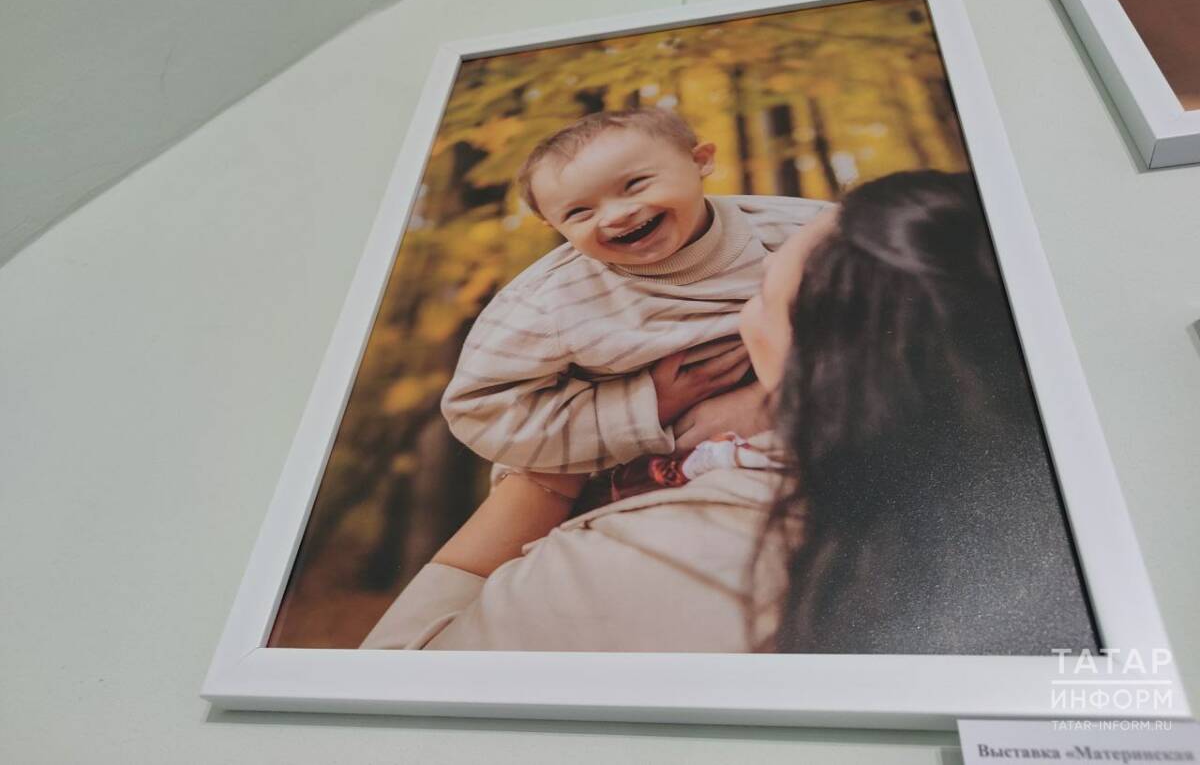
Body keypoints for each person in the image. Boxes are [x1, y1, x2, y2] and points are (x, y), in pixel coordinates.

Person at [361, 170, 1096, 654]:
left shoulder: (653, 559)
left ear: (819, 363)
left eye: (762, 292)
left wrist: (553, 467)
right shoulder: (1063, 524)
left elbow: (390, 686)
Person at [434, 107, 828, 578]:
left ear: (700, 160)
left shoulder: (795, 229)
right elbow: (479, 407)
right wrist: (645, 407)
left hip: (786, 434)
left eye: (635, 185)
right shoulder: (548, 305)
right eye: (579, 212)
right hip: (618, 470)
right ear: (554, 226)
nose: (617, 215)